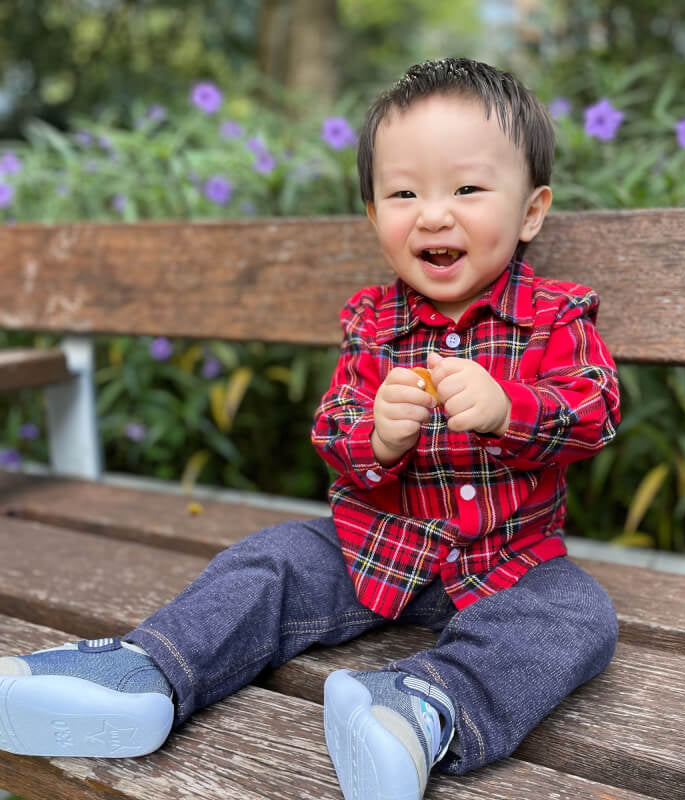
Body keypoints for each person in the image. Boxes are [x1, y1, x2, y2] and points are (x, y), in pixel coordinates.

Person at [0, 58, 621, 800]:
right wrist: (378, 438)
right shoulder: (373, 323)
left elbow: (597, 410)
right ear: (372, 216)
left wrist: (511, 407)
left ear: (531, 211)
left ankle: (419, 710)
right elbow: (335, 429)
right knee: (275, 559)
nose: (433, 213)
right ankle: (147, 673)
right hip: (376, 544)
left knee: (579, 615)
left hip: (511, 563)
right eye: (403, 192)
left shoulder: (555, 317)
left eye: (467, 188)